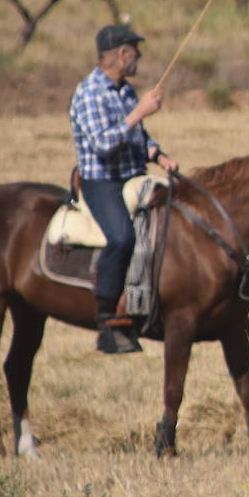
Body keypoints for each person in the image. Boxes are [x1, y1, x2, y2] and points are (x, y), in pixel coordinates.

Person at [70, 24, 179, 354]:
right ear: (121, 54)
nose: (139, 56)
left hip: (134, 175)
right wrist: (139, 112)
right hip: (102, 182)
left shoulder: (126, 91)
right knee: (122, 238)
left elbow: (138, 137)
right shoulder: (89, 93)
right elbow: (102, 144)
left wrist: (159, 155)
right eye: (135, 50)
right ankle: (106, 318)